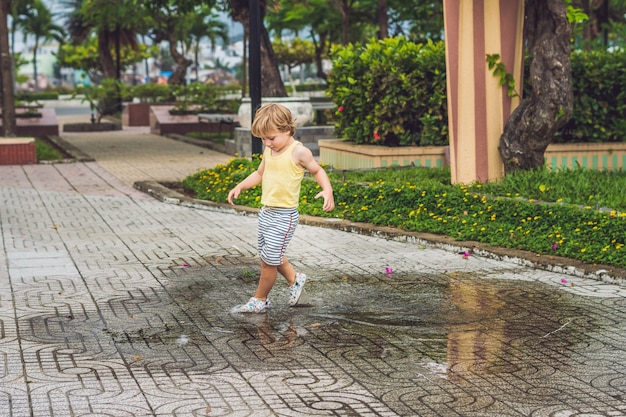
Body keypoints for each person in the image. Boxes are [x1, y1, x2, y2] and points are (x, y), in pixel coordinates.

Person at [227, 103, 335, 313]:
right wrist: (240, 185)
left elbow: (317, 170)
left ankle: (260, 299)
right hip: (266, 213)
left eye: (271, 138)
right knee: (268, 256)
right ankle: (295, 279)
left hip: (284, 216)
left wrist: (327, 190)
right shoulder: (269, 152)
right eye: (263, 139)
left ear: (287, 130)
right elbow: (259, 174)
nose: (267, 143)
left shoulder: (298, 152)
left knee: (269, 262)